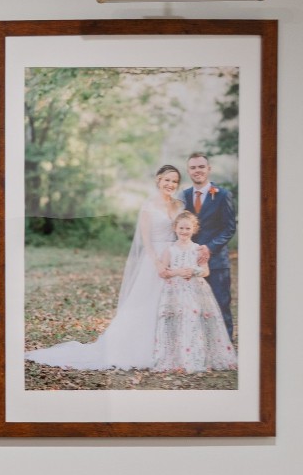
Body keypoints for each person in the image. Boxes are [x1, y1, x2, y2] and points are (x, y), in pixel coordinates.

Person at [27, 164, 185, 371]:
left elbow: (184, 231)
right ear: (158, 180)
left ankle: (170, 348)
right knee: (147, 302)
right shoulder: (149, 206)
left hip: (175, 258)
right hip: (154, 259)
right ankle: (141, 347)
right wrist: (156, 260)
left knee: (170, 304)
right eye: (167, 180)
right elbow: (145, 238)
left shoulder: (180, 206)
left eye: (174, 181)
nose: (170, 184)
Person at [153, 208, 237, 373]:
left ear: (194, 229)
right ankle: (178, 358)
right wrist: (177, 272)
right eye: (181, 228)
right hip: (175, 290)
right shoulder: (170, 250)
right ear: (175, 228)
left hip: (195, 289)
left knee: (193, 317)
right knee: (178, 319)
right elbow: (163, 272)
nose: (184, 231)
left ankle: (196, 357)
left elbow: (205, 271)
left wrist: (193, 271)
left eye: (188, 228)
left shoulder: (198, 249)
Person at [183, 152, 236, 340]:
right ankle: (200, 344)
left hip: (217, 261)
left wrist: (209, 247)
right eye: (193, 167)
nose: (197, 171)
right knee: (194, 305)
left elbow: (229, 228)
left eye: (201, 167)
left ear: (208, 169)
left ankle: (226, 347)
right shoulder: (184, 196)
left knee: (221, 304)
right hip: (191, 261)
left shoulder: (222, 195)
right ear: (188, 171)